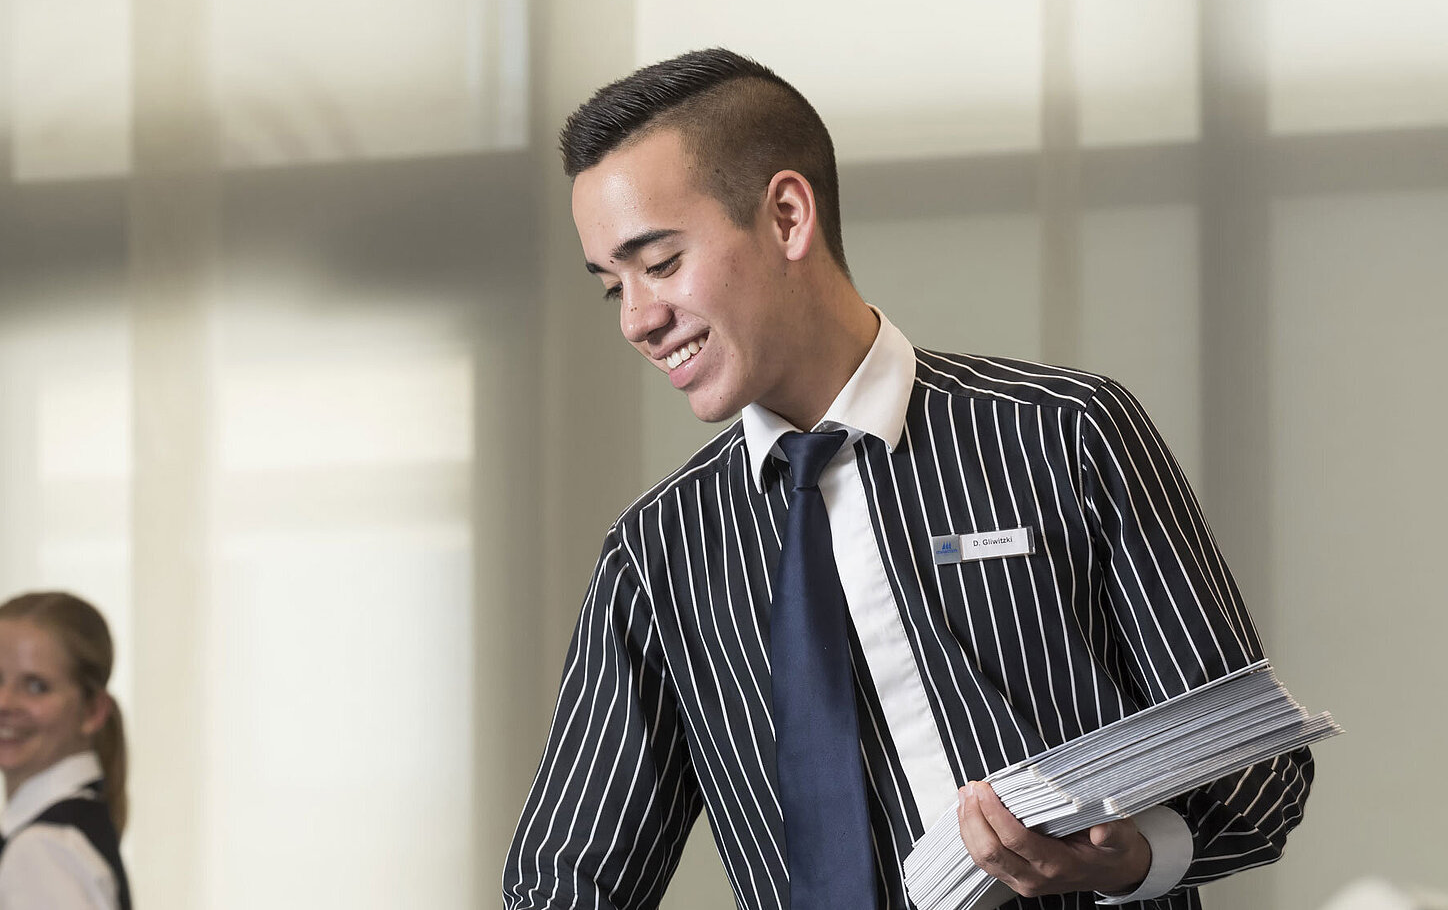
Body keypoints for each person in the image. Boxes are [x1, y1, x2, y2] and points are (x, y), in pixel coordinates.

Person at [502, 49, 1313, 910]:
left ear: (785, 215)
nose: (637, 318)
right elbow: (567, 880)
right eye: (611, 287)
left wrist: (1122, 859)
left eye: (659, 262)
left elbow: (1259, 770)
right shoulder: (659, 553)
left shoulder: (1064, 434)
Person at [0, 591, 133, 910]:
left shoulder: (44, 851)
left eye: (35, 686)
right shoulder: (53, 837)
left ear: (93, 710)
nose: (1, 703)